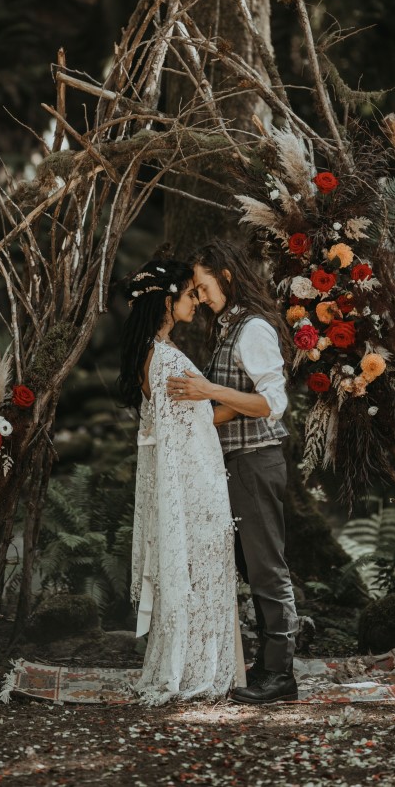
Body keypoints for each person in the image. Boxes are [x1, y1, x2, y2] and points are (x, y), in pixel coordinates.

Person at [166, 241, 299, 705]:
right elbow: (228, 407)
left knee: (266, 568)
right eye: (195, 292)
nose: (200, 298)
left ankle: (281, 675)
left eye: (203, 287)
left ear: (225, 275)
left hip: (257, 462)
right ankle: (274, 653)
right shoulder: (227, 329)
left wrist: (205, 390)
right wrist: (186, 416)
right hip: (236, 464)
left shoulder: (254, 329)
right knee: (247, 565)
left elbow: (271, 404)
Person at [119, 257, 245, 705]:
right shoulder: (170, 359)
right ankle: (200, 668)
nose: (196, 301)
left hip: (176, 483)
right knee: (202, 573)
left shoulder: (148, 357)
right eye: (189, 295)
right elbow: (201, 420)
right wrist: (250, 400)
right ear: (167, 302)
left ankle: (179, 660)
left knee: (189, 575)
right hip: (194, 482)